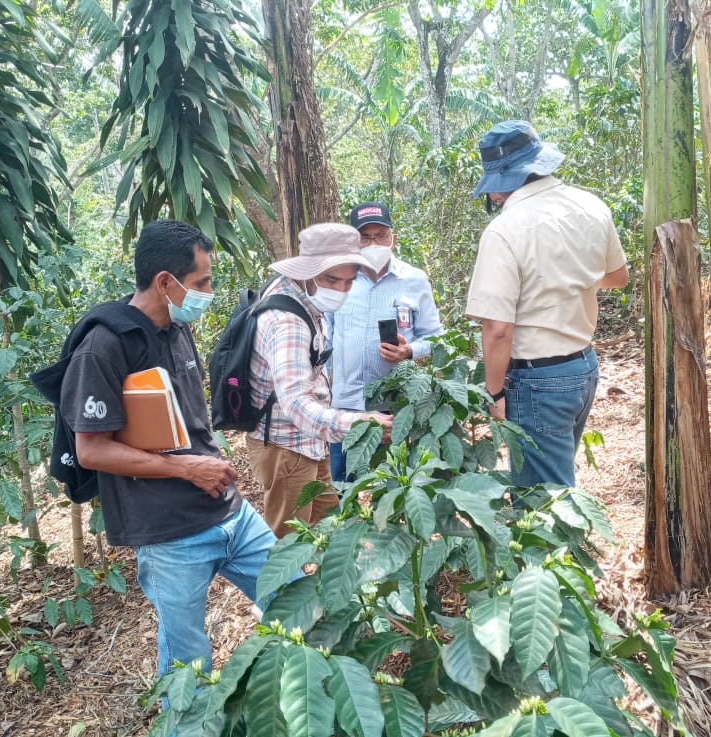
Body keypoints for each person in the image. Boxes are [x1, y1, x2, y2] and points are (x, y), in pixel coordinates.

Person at [60, 219, 276, 678]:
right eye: (202, 282)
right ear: (165, 282)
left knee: (294, 594)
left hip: (229, 512)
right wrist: (186, 469)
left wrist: (207, 459)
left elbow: (185, 419)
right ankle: (187, 728)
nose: (209, 293)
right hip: (170, 535)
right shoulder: (103, 346)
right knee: (188, 661)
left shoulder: (177, 327)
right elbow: (91, 451)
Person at [466, 120, 630, 489]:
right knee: (555, 483)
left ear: (497, 188)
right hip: (583, 367)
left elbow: (497, 329)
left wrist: (494, 393)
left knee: (545, 501)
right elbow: (618, 276)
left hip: (537, 381)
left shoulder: (504, 230)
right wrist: (569, 283)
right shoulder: (591, 206)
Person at [247, 222, 393, 536]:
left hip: (311, 440)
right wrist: (359, 423)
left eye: (349, 281)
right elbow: (296, 405)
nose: (340, 289)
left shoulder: (299, 294)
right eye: (331, 279)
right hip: (287, 447)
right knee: (288, 542)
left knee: (329, 527)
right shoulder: (288, 322)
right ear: (308, 271)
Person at [326, 202, 445, 481]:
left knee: (394, 486)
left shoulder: (414, 279)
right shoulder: (335, 281)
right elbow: (325, 340)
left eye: (380, 235)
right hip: (346, 406)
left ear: (393, 238)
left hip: (396, 407)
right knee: (341, 488)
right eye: (364, 237)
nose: (373, 243)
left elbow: (437, 337)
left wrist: (409, 351)